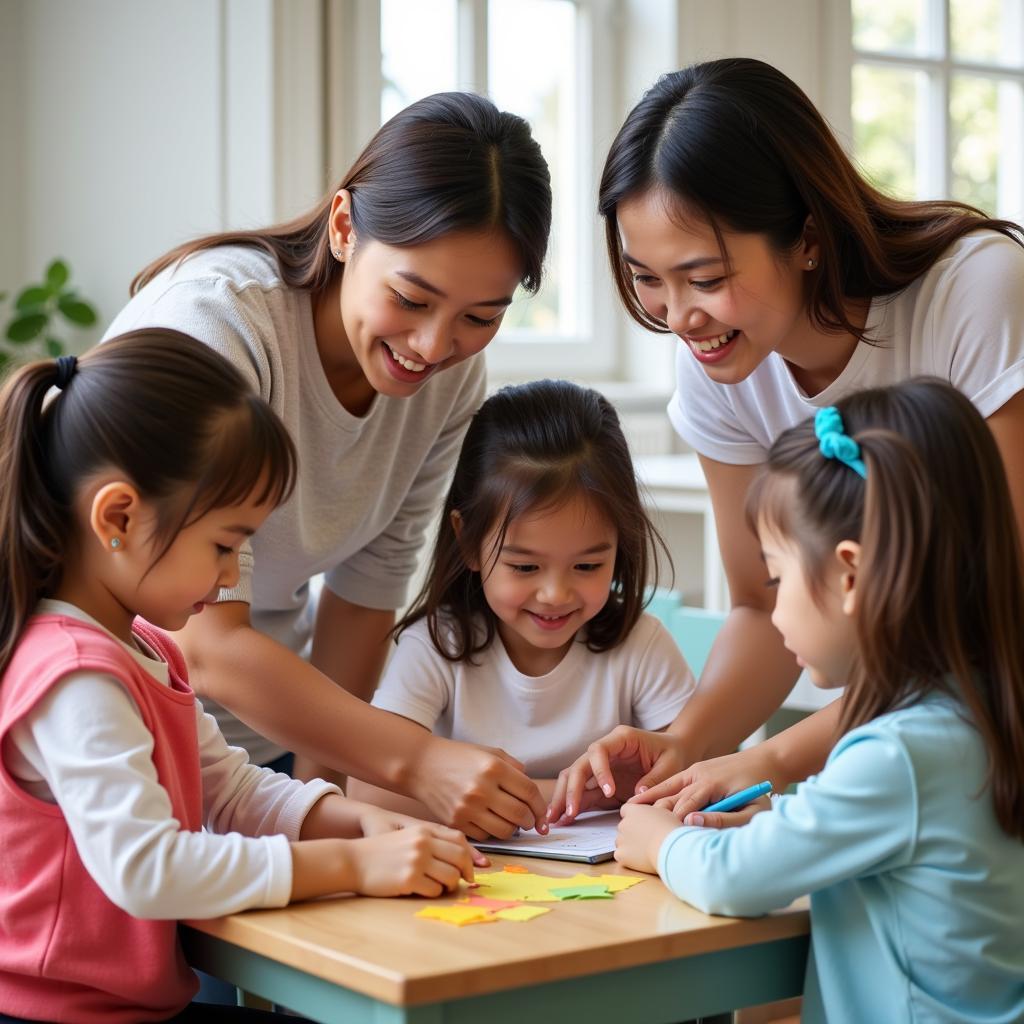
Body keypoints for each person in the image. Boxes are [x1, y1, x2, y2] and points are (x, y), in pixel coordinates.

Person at [548, 56, 1024, 826]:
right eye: (648, 280)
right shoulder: (712, 358)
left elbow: (994, 615)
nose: (679, 316)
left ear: (807, 236)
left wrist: (772, 757)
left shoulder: (974, 290)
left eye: (704, 278)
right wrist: (684, 744)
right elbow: (761, 603)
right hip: (920, 744)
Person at [103, 92, 553, 839]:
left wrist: (326, 808)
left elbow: (363, 599)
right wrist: (414, 761)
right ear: (345, 228)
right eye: (412, 298)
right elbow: (196, 639)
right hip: (115, 749)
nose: (435, 346)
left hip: (256, 761)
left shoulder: (448, 385)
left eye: (481, 317)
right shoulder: (216, 327)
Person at [0, 332, 481, 1024]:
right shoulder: (76, 677)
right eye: (224, 544)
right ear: (118, 517)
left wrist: (351, 823)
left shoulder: (140, 647)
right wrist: (351, 867)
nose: (232, 576)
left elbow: (228, 789)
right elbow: (147, 870)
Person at [616, 379, 1024, 1023]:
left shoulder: (903, 750)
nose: (773, 610)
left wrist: (657, 841)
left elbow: (735, 881)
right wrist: (773, 821)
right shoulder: (980, 712)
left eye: (778, 578)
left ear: (851, 574)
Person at [347, 380, 696, 816]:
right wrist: (576, 794)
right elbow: (367, 792)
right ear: (469, 540)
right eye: (525, 567)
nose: (554, 595)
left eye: (587, 567)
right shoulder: (437, 645)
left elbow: (696, 774)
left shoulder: (640, 645)